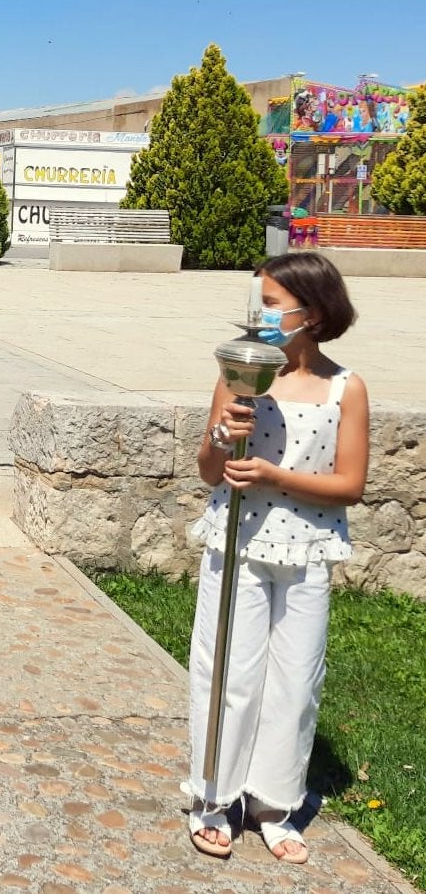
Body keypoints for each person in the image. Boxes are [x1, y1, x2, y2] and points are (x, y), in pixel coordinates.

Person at [184, 253, 368, 865]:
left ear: (310, 314)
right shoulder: (240, 374)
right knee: (229, 672)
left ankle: (275, 802)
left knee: (296, 679)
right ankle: (215, 796)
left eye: (270, 304)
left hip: (308, 549)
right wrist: (222, 436)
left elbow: (349, 484)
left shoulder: (345, 388)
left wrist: (273, 474)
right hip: (239, 545)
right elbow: (210, 472)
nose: (259, 316)